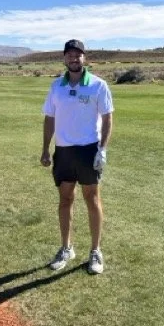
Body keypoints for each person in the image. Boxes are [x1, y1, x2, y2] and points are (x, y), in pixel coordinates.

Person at [40, 39, 114, 275]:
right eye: (69, 54)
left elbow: (108, 118)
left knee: (92, 199)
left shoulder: (97, 85)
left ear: (84, 58)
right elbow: (50, 118)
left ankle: (95, 251)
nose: (74, 58)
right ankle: (66, 248)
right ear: (64, 58)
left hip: (88, 149)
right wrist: (45, 148)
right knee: (65, 199)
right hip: (63, 151)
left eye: (78, 54)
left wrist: (102, 149)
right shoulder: (56, 87)